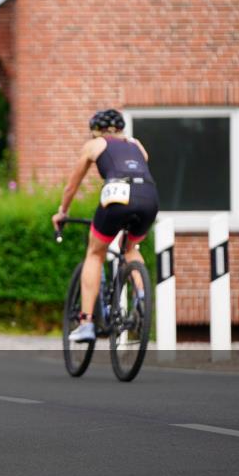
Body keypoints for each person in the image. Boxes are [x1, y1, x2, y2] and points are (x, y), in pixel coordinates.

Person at [51, 109, 158, 343]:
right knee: (130, 249)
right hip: (149, 196)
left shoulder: (95, 144)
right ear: (121, 130)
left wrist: (62, 212)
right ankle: (142, 298)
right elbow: (142, 166)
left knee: (95, 252)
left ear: (95, 131)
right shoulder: (137, 145)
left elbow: (72, 186)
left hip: (118, 196)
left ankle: (87, 322)